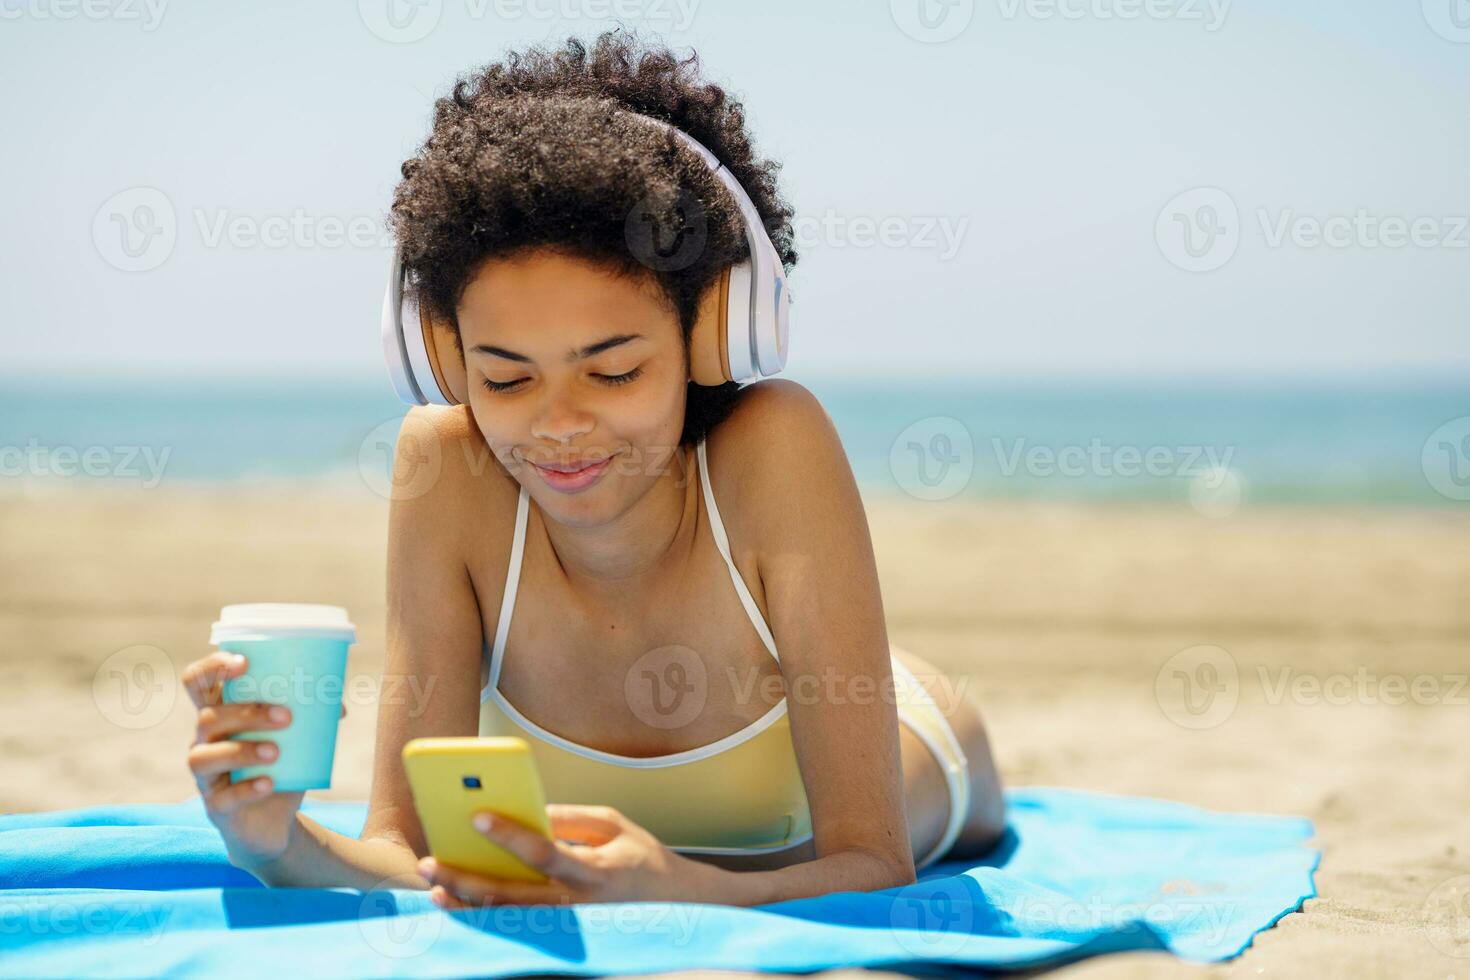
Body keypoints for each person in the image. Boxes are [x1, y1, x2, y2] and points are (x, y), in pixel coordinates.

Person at [182, 29, 1005, 908]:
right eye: (505, 378)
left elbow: (875, 866)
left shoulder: (778, 443)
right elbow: (404, 856)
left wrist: (669, 883)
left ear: (709, 337)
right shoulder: (445, 469)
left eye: (613, 372)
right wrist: (273, 840)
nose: (560, 426)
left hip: (913, 735)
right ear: (446, 361)